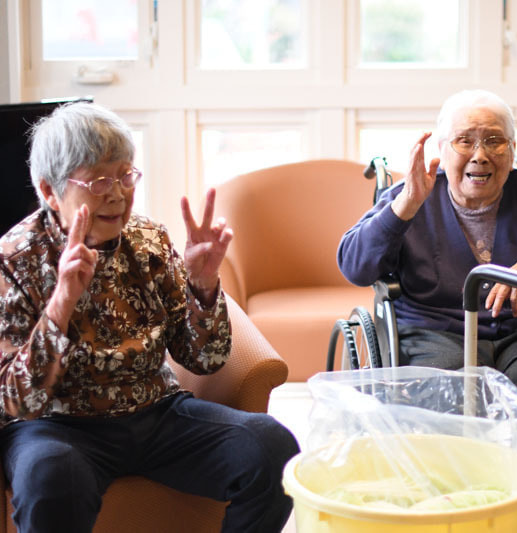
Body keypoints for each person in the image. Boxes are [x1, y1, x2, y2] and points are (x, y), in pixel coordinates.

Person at [0, 102, 299, 533]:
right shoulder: (14, 260)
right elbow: (15, 400)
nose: (117, 194)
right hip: (57, 425)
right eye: (99, 181)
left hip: (156, 412)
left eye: (125, 176)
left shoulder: (148, 239)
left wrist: (202, 286)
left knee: (271, 447)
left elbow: (203, 360)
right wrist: (62, 302)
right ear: (50, 191)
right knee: (52, 478)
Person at [338, 89, 517, 532]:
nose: (480, 154)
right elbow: (353, 265)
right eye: (465, 140)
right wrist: (404, 207)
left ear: (512, 150)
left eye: (494, 140)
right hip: (436, 332)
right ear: (441, 149)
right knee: (448, 383)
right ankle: (453, 519)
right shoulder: (412, 195)